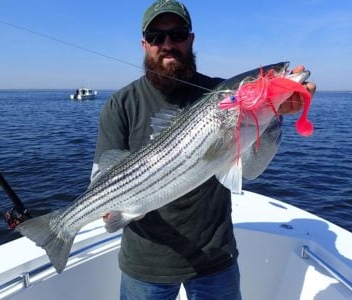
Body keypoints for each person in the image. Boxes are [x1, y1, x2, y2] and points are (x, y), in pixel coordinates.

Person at [91, 1, 316, 299]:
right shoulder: (121, 103)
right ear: (145, 44)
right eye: (157, 37)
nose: (168, 44)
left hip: (215, 260)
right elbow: (101, 175)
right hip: (146, 265)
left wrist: (271, 117)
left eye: (178, 34)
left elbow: (250, 170)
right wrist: (110, 207)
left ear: (191, 39)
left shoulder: (221, 94)